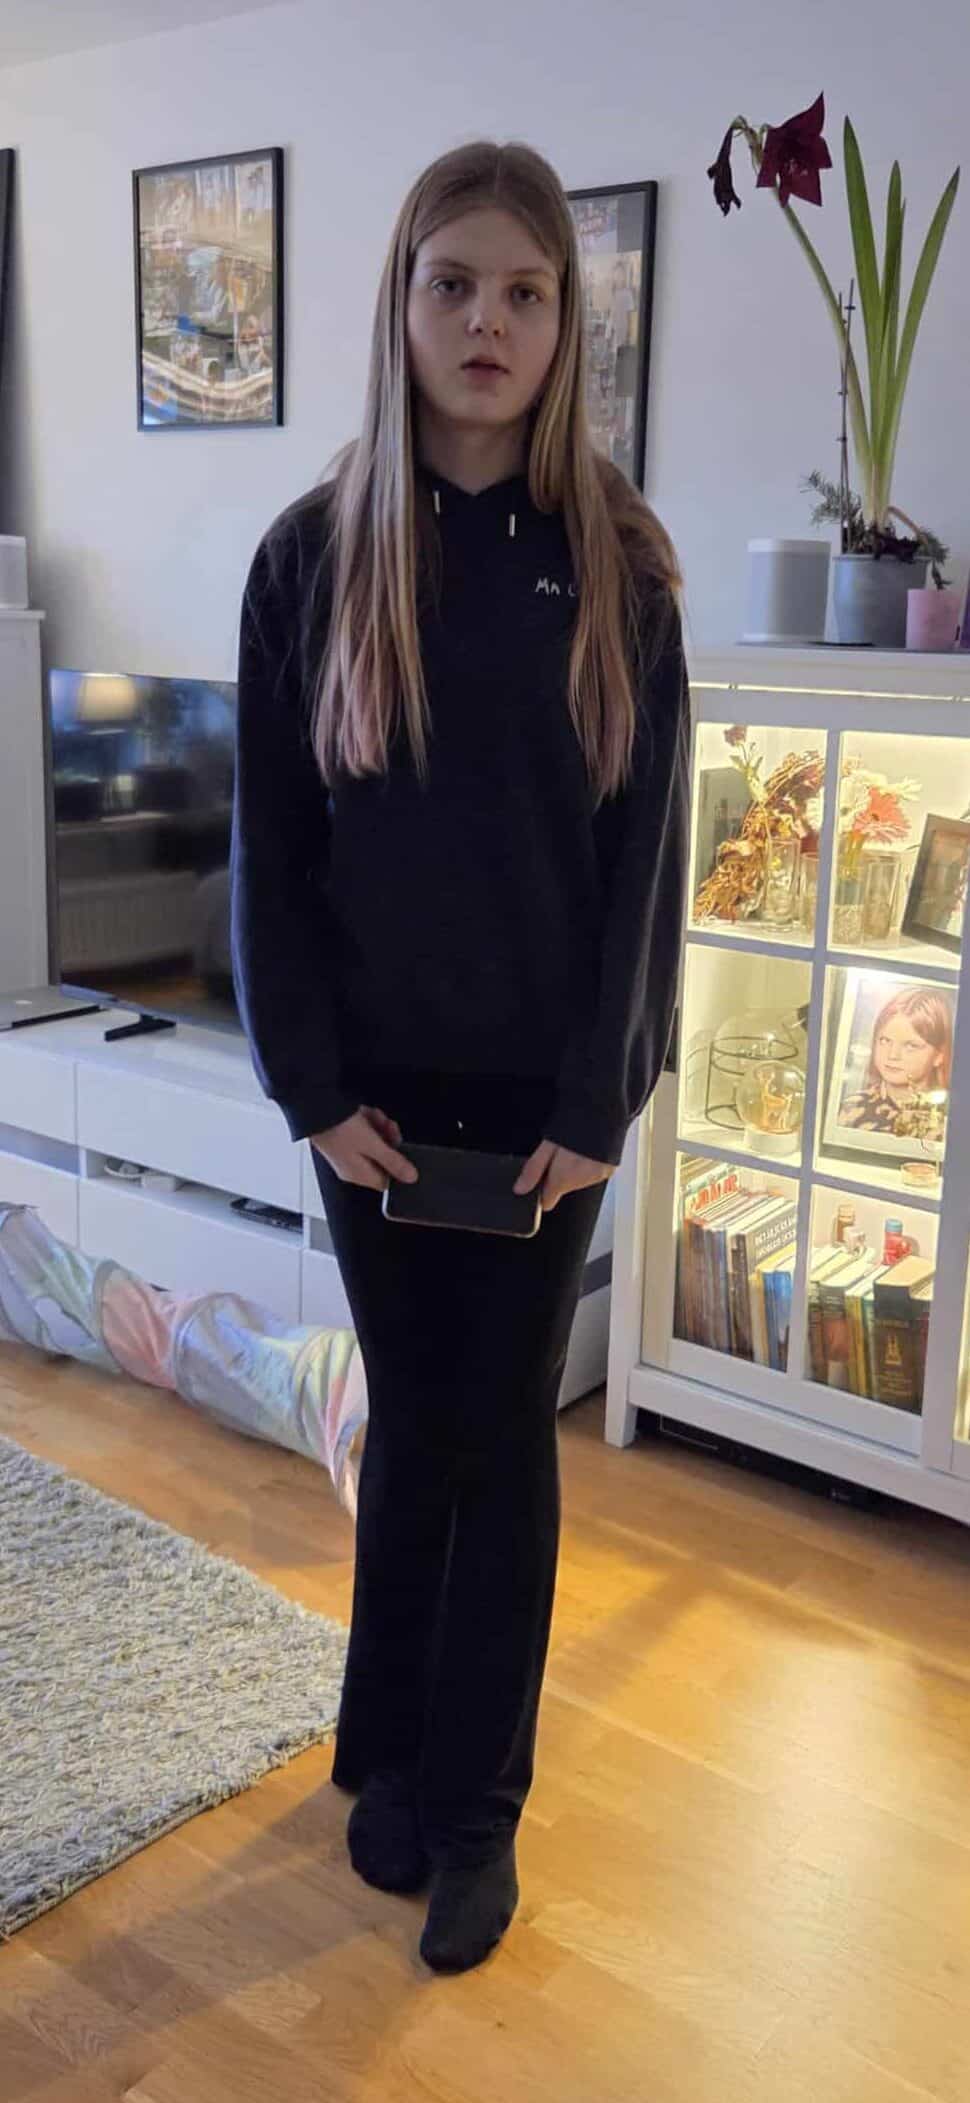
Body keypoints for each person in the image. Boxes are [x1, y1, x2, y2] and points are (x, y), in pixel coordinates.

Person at [230, 140, 690, 1974]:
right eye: (452, 285)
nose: (485, 323)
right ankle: (391, 1758)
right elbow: (273, 849)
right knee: (412, 1422)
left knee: (501, 1437)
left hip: (539, 1118)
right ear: (400, 301)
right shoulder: (312, 556)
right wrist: (309, 1086)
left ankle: (478, 1805)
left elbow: (643, 859)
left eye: (524, 292)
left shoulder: (620, 566)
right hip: (371, 1108)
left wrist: (601, 1095)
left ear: (566, 323)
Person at [839, 984, 953, 1134]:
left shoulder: (952, 1120)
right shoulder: (850, 1110)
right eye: (885, 1040)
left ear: (939, 1056)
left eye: (911, 1046)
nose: (893, 1055)